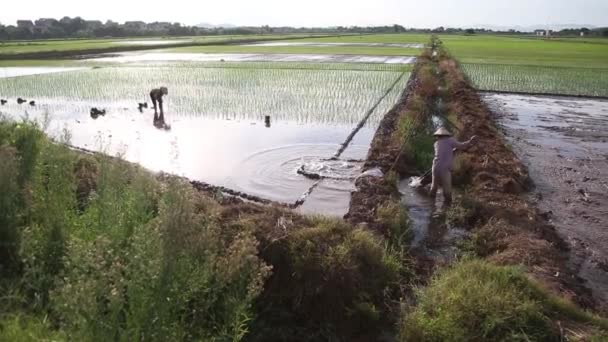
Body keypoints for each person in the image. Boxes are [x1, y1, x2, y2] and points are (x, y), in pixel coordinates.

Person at [430, 127, 477, 206]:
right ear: (446, 135)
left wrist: (453, 150)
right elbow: (462, 146)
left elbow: (444, 151)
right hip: (444, 169)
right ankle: (447, 208)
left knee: (434, 187)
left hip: (435, 167)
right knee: (447, 192)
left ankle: (430, 205)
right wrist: (471, 141)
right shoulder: (450, 140)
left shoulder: (436, 143)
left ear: (438, 136)